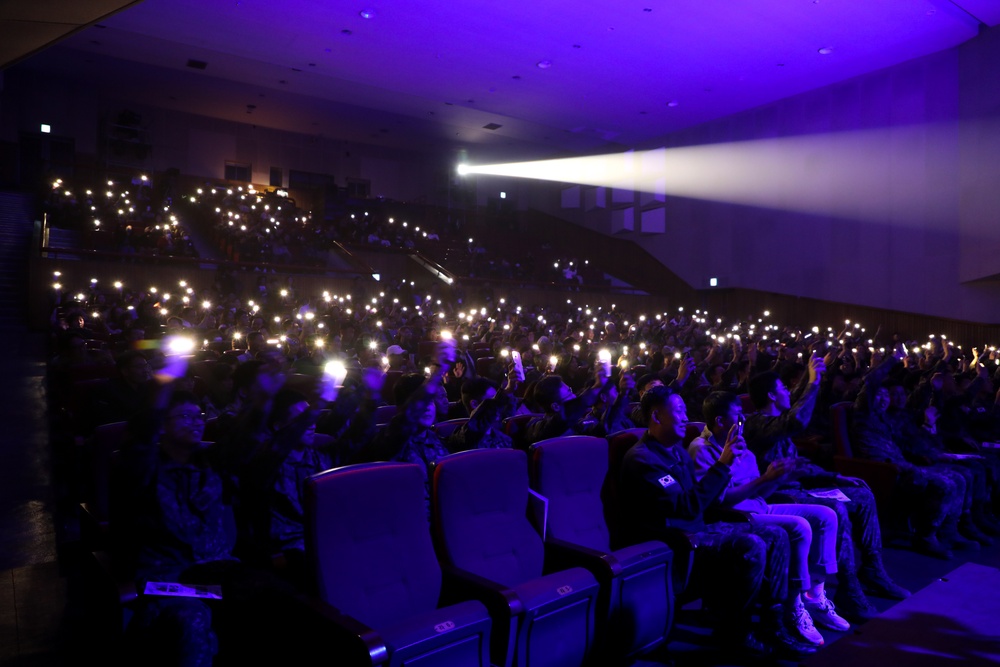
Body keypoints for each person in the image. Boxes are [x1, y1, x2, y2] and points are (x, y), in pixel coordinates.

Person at [618, 386, 816, 657]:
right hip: (676, 540)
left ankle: (774, 623)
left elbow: (702, 502)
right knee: (752, 545)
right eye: (678, 411)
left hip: (700, 527)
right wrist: (722, 464)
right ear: (656, 416)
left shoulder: (674, 451)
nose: (686, 417)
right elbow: (686, 508)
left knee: (777, 534)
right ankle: (735, 632)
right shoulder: (643, 459)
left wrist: (733, 465)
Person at [745, 353, 910, 604]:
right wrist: (812, 382)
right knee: (836, 508)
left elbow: (799, 462)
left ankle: (873, 570)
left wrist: (837, 477)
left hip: (800, 488)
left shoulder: (777, 420)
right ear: (770, 395)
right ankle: (848, 586)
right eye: (783, 388)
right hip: (775, 493)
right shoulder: (757, 424)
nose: (789, 392)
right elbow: (796, 421)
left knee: (863, 495)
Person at [690, 391, 850, 640]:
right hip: (734, 516)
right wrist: (765, 478)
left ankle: (815, 596)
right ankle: (793, 603)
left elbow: (760, 490)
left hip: (759, 506)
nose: (742, 420)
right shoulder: (701, 449)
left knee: (826, 515)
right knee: (800, 526)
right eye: (737, 416)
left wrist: (778, 478)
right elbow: (718, 501)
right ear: (720, 421)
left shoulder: (741, 447)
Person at [851, 354, 975, 558]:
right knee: (945, 484)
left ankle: (948, 532)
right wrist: (894, 357)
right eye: (878, 396)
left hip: (903, 465)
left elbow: (913, 421)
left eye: (886, 396)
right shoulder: (865, 414)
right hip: (882, 469)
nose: (883, 400)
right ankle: (926, 536)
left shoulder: (886, 418)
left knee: (959, 478)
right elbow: (872, 381)